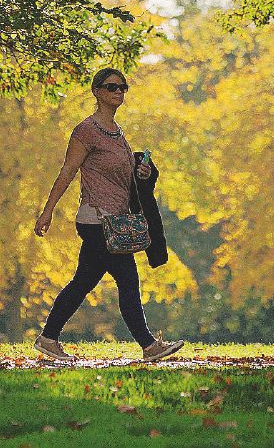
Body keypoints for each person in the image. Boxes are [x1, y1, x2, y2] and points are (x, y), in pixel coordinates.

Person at [32, 67, 186, 363]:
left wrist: (141, 171)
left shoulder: (118, 133)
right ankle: (149, 345)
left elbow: (123, 178)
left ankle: (48, 338)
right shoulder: (86, 131)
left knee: (83, 282)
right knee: (127, 279)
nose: (119, 92)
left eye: (122, 87)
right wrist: (47, 211)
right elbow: (67, 171)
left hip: (116, 222)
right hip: (97, 220)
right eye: (112, 87)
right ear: (97, 92)